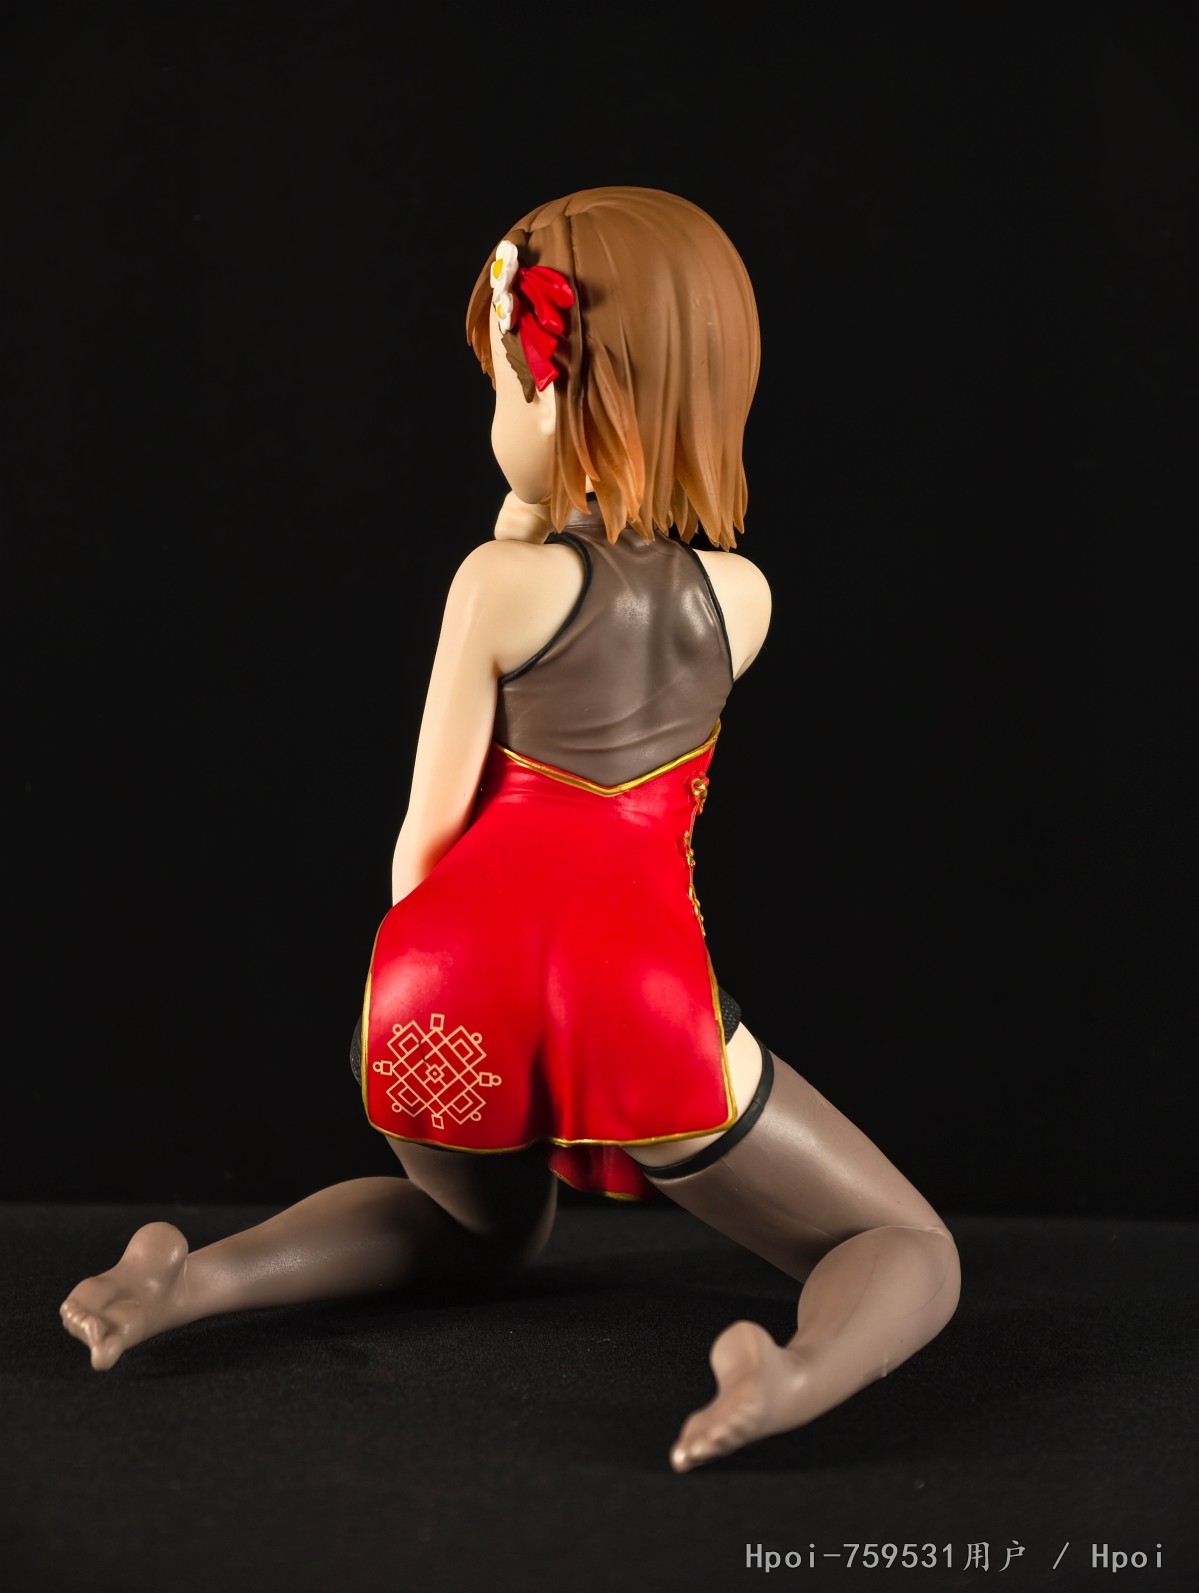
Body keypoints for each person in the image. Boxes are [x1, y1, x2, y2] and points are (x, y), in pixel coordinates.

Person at [59, 187, 960, 1472]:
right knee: (897, 1242)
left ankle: (190, 1280)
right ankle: (798, 1369)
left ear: (551, 395)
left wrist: (417, 971)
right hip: (634, 985)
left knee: (478, 1231)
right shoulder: (744, 598)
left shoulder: (492, 582)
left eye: (501, 385)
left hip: (444, 973)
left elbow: (423, 839)